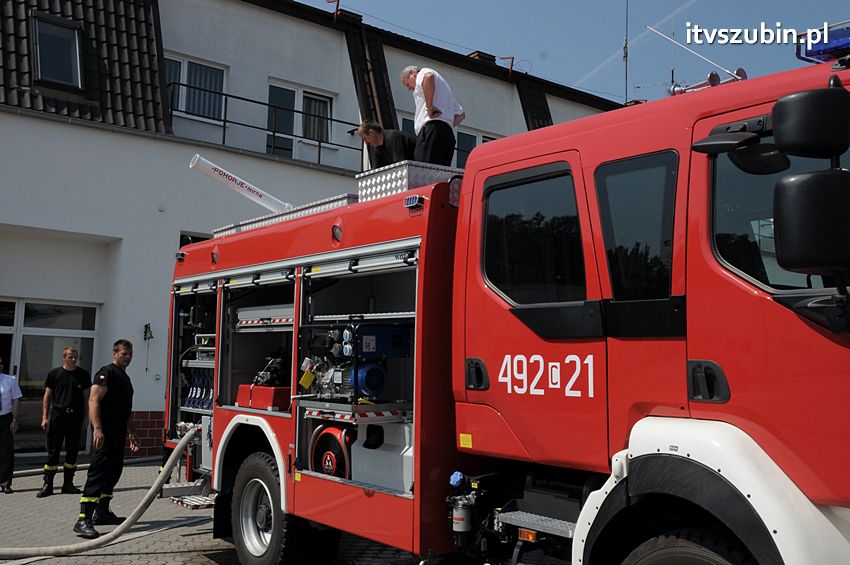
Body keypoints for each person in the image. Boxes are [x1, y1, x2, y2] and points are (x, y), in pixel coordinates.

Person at [73, 339, 139, 539]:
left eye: (130, 354)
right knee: (98, 473)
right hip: (105, 434)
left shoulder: (125, 378)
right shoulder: (107, 372)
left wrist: (132, 432)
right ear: (115, 353)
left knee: (113, 473)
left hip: (118, 434)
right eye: (124, 353)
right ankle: (83, 519)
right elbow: (93, 400)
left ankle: (102, 513)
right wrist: (97, 429)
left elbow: (126, 410)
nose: (127, 357)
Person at [37, 346, 92, 498]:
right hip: (58, 415)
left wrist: (87, 417)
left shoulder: (83, 374)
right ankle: (48, 485)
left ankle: (68, 484)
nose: (73, 359)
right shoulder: (54, 374)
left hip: (75, 417)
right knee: (53, 450)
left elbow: (87, 398)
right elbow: (47, 396)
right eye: (70, 357)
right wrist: (44, 416)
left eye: (75, 357)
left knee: (72, 450)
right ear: (64, 358)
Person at [400, 65, 466, 166]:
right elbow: (461, 114)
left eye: (407, 84)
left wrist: (429, 107)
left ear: (412, 73)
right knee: (440, 171)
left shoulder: (422, 73)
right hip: (447, 134)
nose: (409, 89)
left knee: (423, 168)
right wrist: (444, 122)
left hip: (431, 130)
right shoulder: (444, 90)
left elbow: (428, 77)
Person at [0, 356, 22, 494]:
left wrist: (15, 420)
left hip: (5, 418)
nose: (0, 365)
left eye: (1, 363)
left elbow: (16, 400)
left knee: (6, 452)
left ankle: (5, 482)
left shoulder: (10, 380)